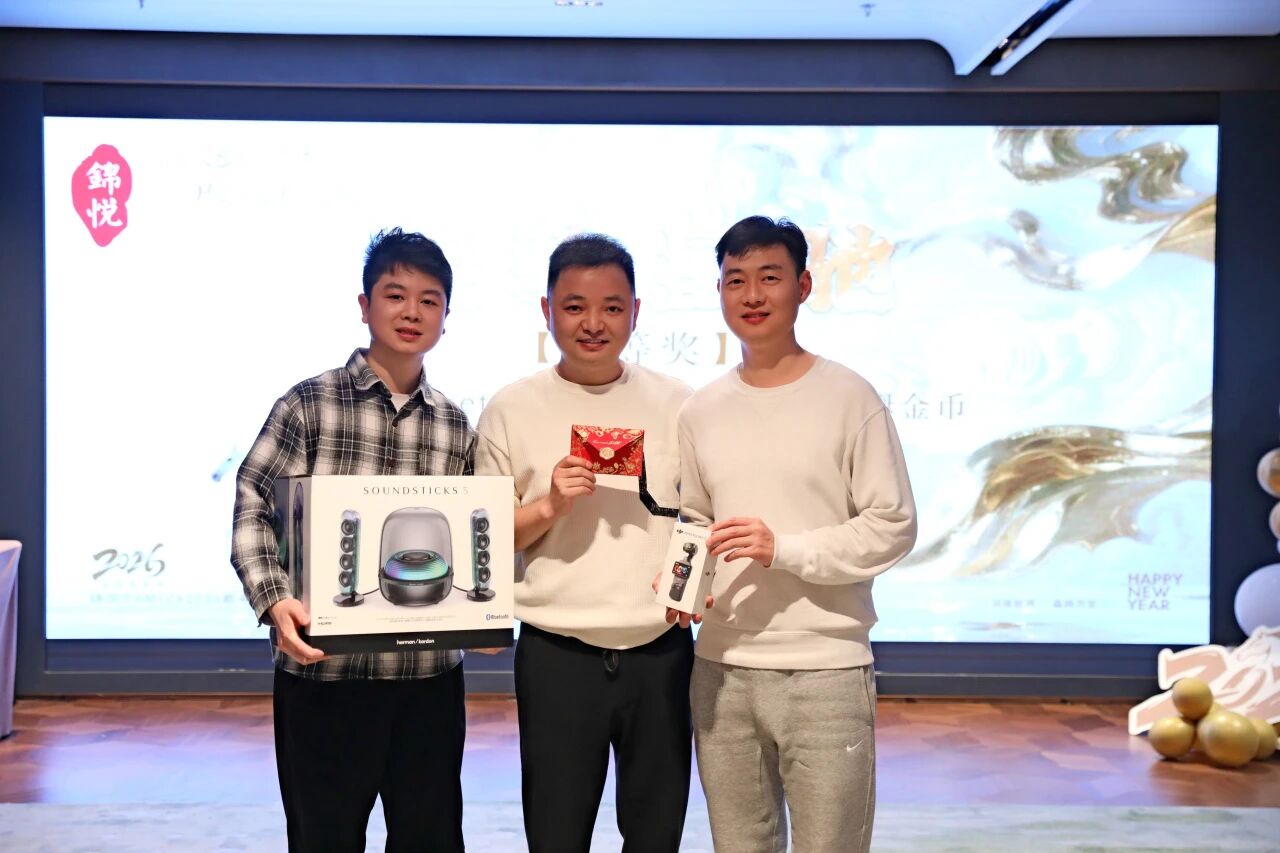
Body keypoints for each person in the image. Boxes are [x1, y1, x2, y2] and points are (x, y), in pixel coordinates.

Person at [675, 215, 917, 853]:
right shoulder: (700, 410)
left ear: (804, 286)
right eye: (736, 280)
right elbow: (696, 521)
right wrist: (683, 584)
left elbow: (893, 523)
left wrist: (784, 549)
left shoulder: (849, 396)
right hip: (721, 667)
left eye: (770, 277)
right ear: (719, 290)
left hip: (825, 670)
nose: (752, 295)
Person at [231, 228, 474, 853]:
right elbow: (253, 501)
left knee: (430, 838)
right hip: (325, 675)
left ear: (446, 317)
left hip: (427, 679)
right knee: (324, 837)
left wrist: (485, 610)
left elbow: (479, 536)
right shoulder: (308, 404)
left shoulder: (454, 423)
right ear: (365, 306)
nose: (412, 312)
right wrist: (274, 599)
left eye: (430, 300)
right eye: (395, 295)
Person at [475, 233, 694, 853]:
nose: (593, 323)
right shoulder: (511, 408)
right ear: (547, 311)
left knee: (656, 835)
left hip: (660, 650)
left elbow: (702, 517)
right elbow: (483, 540)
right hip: (556, 654)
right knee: (555, 833)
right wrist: (550, 505)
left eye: (611, 307)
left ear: (635, 312)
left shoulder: (680, 404)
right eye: (574, 307)